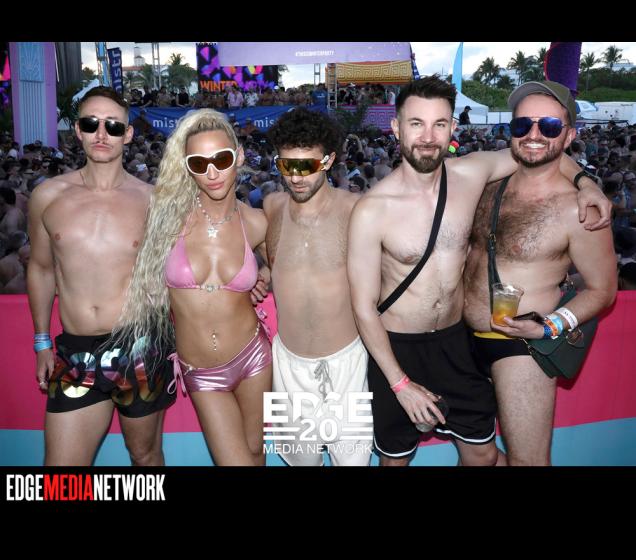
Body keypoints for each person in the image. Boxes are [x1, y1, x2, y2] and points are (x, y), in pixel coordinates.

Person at [347, 76, 611, 467]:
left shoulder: (472, 174)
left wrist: (586, 182)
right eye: (416, 123)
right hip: (402, 346)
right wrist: (400, 383)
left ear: (453, 128)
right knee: (394, 460)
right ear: (397, 127)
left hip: (459, 343)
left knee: (483, 455)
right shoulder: (371, 209)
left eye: (439, 124)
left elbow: (541, 149)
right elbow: (363, 307)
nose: (428, 137)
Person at [463, 80, 617, 466]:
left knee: (528, 461)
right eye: (522, 124)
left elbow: (602, 290)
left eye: (549, 126)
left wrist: (549, 327)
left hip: (522, 348)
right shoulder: (487, 184)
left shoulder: (578, 209)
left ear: (569, 136)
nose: (533, 135)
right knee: (477, 457)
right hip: (461, 340)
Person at [27, 86, 176, 466]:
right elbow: (41, 268)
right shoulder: (48, 196)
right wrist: (41, 341)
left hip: (141, 345)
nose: (101, 133)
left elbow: (177, 269)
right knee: (60, 474)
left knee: (145, 457)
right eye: (91, 123)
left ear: (128, 133)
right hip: (74, 352)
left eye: (113, 126)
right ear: (78, 129)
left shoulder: (153, 200)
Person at [114, 109, 270, 466]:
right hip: (201, 371)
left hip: (254, 357)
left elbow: (282, 264)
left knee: (255, 453)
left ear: (239, 156)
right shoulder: (166, 219)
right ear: (187, 167)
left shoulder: (257, 222)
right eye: (199, 163)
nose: (212, 172)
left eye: (221, 159)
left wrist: (264, 275)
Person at [262, 107, 372, 466]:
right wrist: (261, 273)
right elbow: (270, 258)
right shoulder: (272, 206)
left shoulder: (356, 209)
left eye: (306, 165)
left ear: (329, 161)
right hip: (288, 366)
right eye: (286, 165)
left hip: (347, 364)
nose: (295, 177)